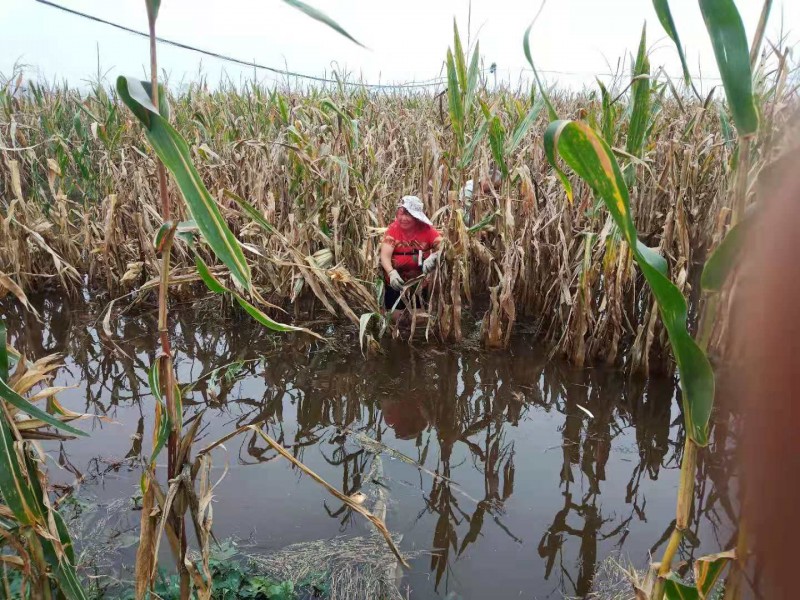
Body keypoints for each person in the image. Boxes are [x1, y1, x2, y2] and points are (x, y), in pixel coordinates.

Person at [380, 195, 442, 321]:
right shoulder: (393, 229)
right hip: (395, 281)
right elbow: (385, 256)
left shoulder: (427, 230)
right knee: (396, 317)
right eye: (401, 213)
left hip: (419, 282)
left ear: (416, 217)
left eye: (408, 215)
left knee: (418, 317)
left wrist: (435, 256)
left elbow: (444, 246)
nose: (403, 218)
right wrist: (391, 272)